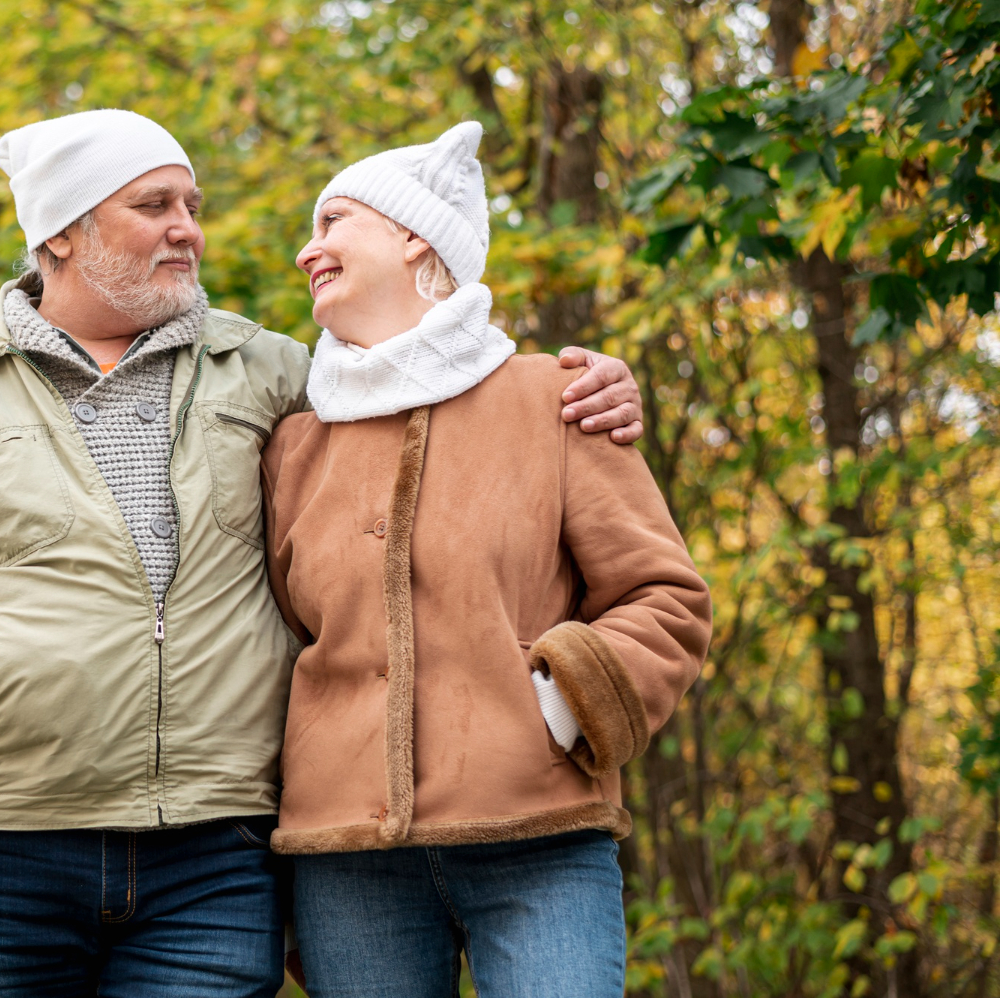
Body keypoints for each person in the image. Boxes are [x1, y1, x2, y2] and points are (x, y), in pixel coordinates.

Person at [0, 109, 646, 998]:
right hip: (6, 848)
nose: (189, 229)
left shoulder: (279, 373)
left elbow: (430, 377)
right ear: (59, 230)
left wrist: (591, 390)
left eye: (192, 204)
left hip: (218, 850)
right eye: (154, 204)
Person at [260, 122, 713, 997]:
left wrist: (563, 704)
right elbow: (278, 634)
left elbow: (667, 597)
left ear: (413, 236)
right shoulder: (293, 443)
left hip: (540, 841)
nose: (306, 250)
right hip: (346, 863)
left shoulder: (557, 397)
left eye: (332, 221)